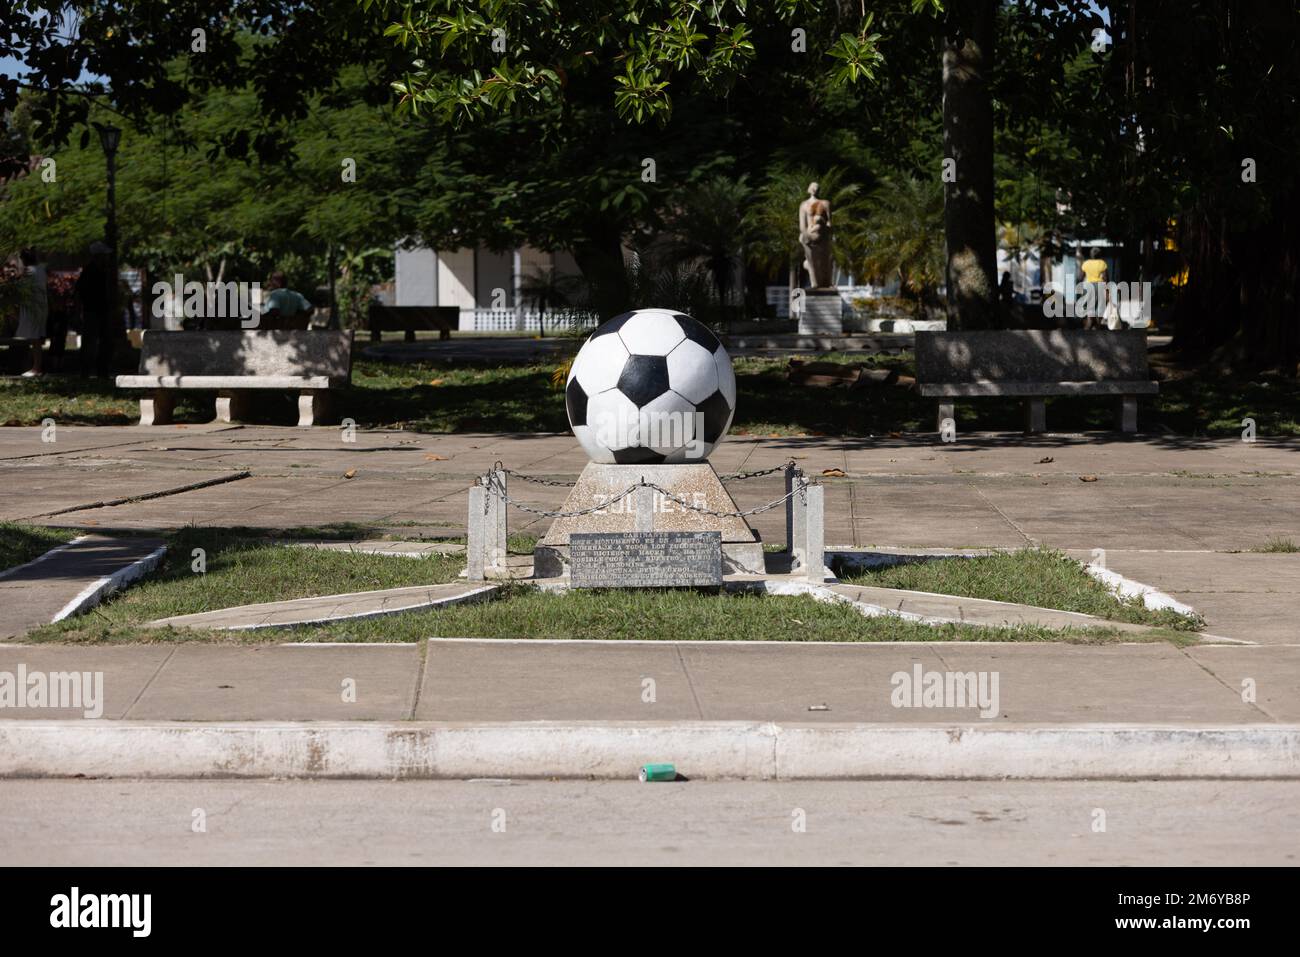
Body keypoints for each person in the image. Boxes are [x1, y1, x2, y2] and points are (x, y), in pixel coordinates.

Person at [75, 242, 116, 377]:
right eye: (104, 255)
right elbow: (79, 292)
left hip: (102, 311)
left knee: (104, 341)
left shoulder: (103, 271)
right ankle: (86, 371)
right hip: (92, 311)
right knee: (89, 343)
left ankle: (102, 371)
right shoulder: (89, 271)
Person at [14, 249, 48, 376]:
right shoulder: (40, 269)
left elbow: (21, 288)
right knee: (36, 338)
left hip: (32, 309)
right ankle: (35, 366)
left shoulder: (29, 271)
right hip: (40, 308)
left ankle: (36, 368)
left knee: (34, 339)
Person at [1079, 246, 1108, 329]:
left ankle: (1090, 323)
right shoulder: (1102, 263)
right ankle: (1096, 325)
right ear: (1100, 255)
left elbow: (1080, 278)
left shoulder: (1086, 263)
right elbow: (1106, 279)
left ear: (1091, 255)